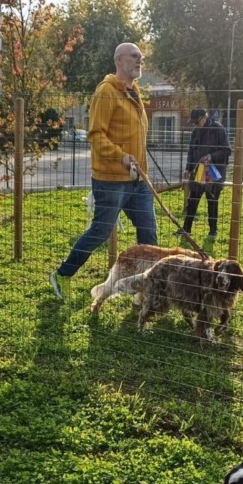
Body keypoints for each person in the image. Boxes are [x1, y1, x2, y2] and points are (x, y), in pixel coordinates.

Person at [49, 42, 158, 300]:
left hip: (137, 179)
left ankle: (149, 290)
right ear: (119, 60)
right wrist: (121, 157)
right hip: (111, 180)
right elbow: (96, 135)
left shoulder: (134, 91)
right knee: (100, 231)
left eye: (140, 57)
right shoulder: (106, 92)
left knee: (149, 234)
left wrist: (141, 167)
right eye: (134, 56)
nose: (139, 60)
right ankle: (63, 274)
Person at [181, 108, 232, 249]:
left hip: (214, 172)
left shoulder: (218, 129)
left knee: (212, 201)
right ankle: (186, 229)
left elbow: (227, 150)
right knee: (192, 200)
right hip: (198, 171)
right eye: (194, 123)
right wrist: (188, 168)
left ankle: (213, 230)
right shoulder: (196, 131)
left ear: (204, 117)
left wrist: (211, 156)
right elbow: (192, 151)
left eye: (197, 122)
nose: (195, 125)